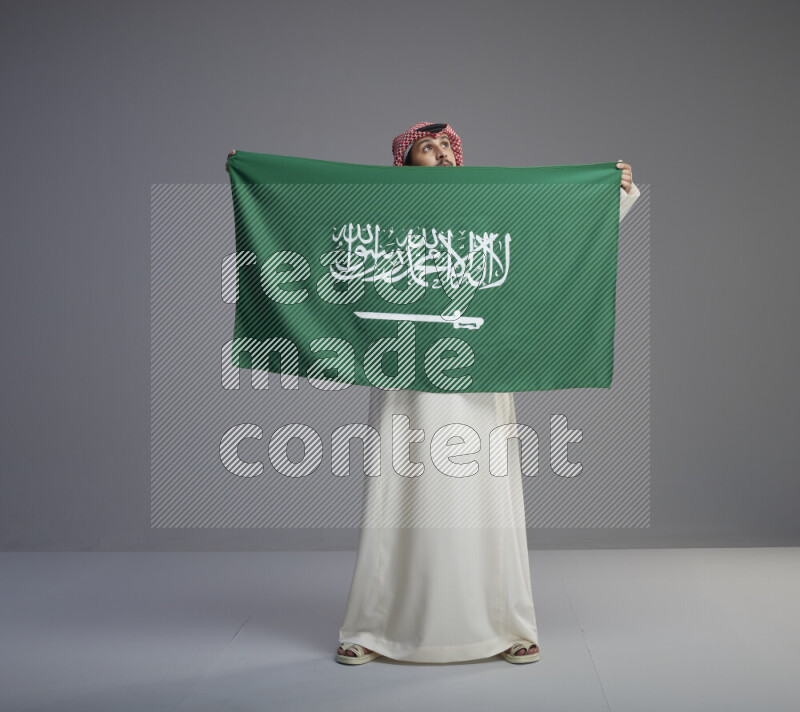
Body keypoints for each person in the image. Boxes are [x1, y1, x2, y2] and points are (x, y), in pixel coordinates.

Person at [226, 126, 640, 665]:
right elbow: (312, 227)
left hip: (483, 374)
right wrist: (256, 179)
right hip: (405, 381)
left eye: (447, 148)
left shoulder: (490, 209)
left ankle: (508, 626)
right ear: (404, 165)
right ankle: (372, 629)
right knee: (398, 497)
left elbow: (556, 237)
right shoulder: (380, 219)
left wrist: (613, 192)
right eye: (429, 148)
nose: (441, 154)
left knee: (487, 497)